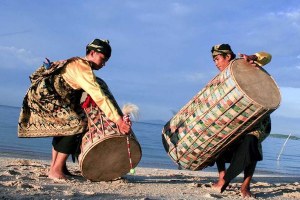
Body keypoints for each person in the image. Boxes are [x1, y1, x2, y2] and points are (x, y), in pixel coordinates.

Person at [18, 39, 131, 180]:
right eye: (102, 59)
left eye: (106, 60)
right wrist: (118, 121)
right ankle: (55, 170)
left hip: (54, 97)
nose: (104, 64)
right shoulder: (82, 67)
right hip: (46, 97)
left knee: (64, 126)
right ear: (92, 53)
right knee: (77, 124)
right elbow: (99, 95)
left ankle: (58, 167)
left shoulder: (81, 65)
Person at [210, 44, 272, 198]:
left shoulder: (243, 65)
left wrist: (254, 57)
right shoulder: (221, 79)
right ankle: (222, 178)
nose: (216, 63)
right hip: (233, 122)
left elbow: (267, 56)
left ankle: (245, 187)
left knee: (251, 142)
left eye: (217, 59)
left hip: (256, 120)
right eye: (214, 60)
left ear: (228, 57)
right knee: (217, 138)